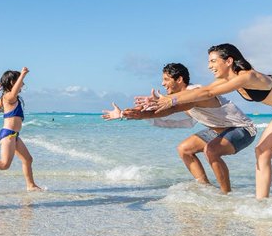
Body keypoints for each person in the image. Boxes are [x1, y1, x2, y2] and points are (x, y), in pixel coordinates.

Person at [141, 44, 272, 203]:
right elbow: (205, 90)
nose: (209, 66)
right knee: (261, 153)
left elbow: (207, 94)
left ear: (228, 61)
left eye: (213, 61)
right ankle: (261, 203)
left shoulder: (247, 77)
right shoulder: (226, 79)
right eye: (209, 62)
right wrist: (166, 99)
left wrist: (171, 100)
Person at [103, 62, 256, 193]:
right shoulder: (177, 99)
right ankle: (205, 188)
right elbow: (165, 112)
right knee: (184, 149)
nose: (163, 84)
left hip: (242, 129)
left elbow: (173, 108)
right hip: (218, 131)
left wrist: (167, 101)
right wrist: (124, 113)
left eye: (166, 79)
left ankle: (226, 195)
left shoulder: (195, 92)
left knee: (211, 150)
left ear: (179, 79)